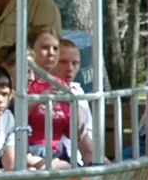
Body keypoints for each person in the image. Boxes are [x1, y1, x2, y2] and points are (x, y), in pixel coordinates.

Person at [22, 25, 97, 165]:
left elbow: (79, 135)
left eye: (55, 48)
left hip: (57, 154)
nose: (51, 53)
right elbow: (12, 120)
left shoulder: (61, 86)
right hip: (29, 154)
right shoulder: (23, 83)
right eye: (45, 48)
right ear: (31, 51)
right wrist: (37, 101)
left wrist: (74, 108)